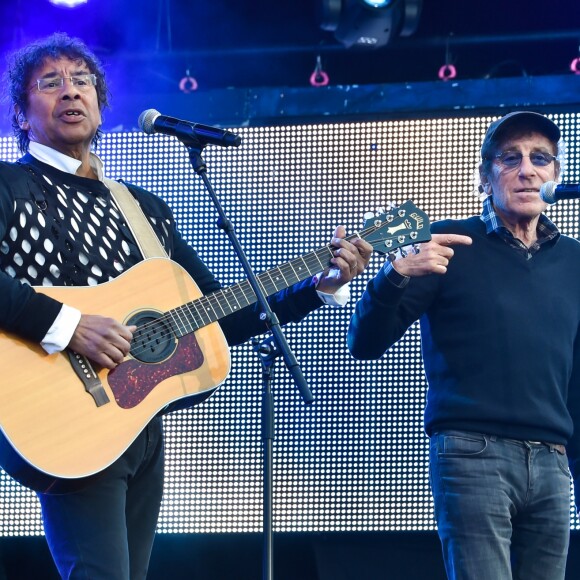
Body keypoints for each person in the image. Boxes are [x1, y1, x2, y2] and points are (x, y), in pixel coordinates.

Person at [0, 32, 373, 579]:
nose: (71, 92)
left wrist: (316, 284)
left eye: (82, 81)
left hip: (137, 424)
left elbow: (218, 316)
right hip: (58, 414)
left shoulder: (145, 209)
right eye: (51, 83)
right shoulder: (7, 186)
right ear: (21, 113)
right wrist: (68, 324)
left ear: (101, 104)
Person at [347, 111, 580, 580]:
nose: (526, 169)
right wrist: (394, 276)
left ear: (555, 175)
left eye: (540, 158)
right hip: (473, 454)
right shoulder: (450, 243)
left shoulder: (574, 260)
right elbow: (365, 342)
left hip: (553, 461)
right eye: (509, 158)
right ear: (484, 176)